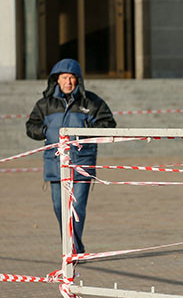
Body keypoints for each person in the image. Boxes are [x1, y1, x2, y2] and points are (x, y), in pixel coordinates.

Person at [25, 59, 116, 254]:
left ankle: (72, 249)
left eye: (72, 78)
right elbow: (30, 127)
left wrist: (87, 131)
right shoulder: (45, 104)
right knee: (59, 208)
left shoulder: (91, 102)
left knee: (76, 208)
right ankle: (74, 246)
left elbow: (109, 123)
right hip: (55, 164)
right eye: (64, 78)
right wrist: (45, 131)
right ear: (56, 80)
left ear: (78, 80)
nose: (68, 82)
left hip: (82, 163)